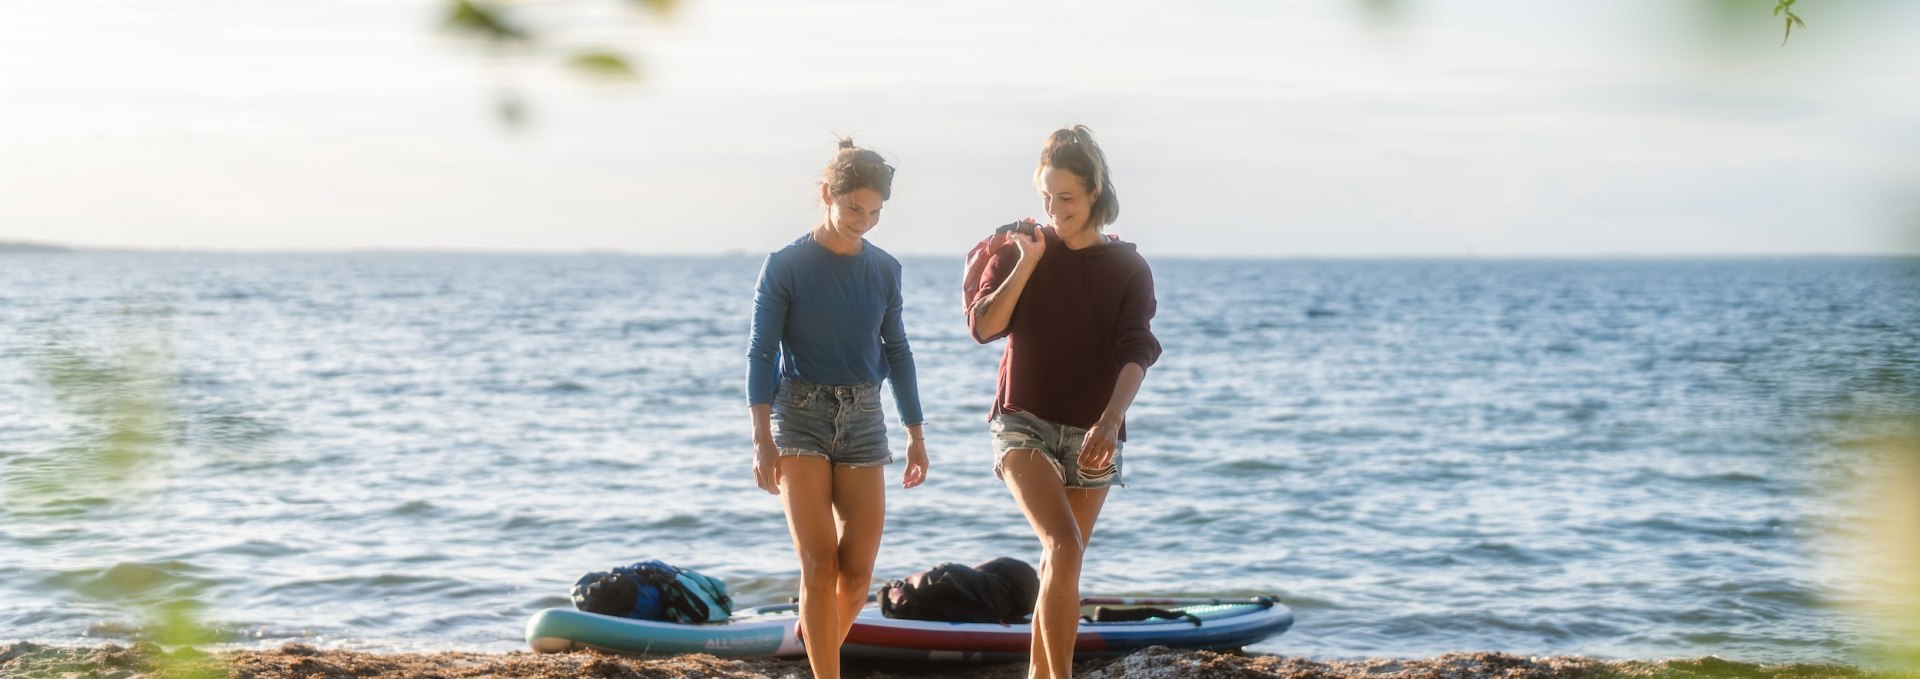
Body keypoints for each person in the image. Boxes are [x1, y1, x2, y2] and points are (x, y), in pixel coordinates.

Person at [965, 125, 1161, 679]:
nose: (1054, 210)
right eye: (1047, 198)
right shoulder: (1025, 247)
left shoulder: (1129, 268)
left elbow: (1137, 349)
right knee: (1064, 545)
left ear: (1094, 191)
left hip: (1093, 433)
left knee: (1063, 560)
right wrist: (1027, 262)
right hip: (1021, 423)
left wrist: (1110, 420)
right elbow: (984, 327)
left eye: (1066, 199)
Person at [745, 136, 929, 679]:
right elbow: (761, 351)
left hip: (865, 418)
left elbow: (897, 350)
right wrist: (761, 439)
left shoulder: (885, 269)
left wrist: (915, 432)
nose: (864, 221)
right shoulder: (786, 265)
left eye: (874, 213)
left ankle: (817, 637)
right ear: (828, 194)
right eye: (854, 209)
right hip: (798, 413)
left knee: (856, 576)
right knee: (819, 565)